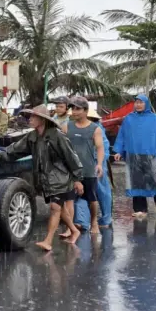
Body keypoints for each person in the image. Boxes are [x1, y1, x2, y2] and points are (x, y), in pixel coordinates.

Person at [0, 105, 84, 251]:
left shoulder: (57, 135)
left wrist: (78, 179)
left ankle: (48, 241)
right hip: (46, 180)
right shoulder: (33, 136)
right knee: (60, 209)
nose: (30, 120)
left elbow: (71, 157)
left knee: (55, 208)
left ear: (42, 120)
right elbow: (16, 149)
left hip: (60, 178)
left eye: (33, 117)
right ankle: (74, 231)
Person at [113, 94, 156, 217]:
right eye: (136, 102)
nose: (138, 105)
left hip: (151, 154)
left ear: (146, 104)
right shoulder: (128, 119)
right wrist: (118, 150)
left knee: (152, 180)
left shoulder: (154, 119)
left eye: (141, 102)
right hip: (133, 155)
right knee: (137, 182)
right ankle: (140, 209)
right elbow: (122, 136)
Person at [61, 96, 104, 235]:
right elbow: (61, 146)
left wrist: (99, 164)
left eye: (78, 109)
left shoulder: (94, 128)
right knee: (69, 200)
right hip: (71, 171)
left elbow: (100, 148)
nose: (74, 111)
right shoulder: (67, 126)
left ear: (86, 111)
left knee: (92, 199)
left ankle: (94, 222)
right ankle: (70, 227)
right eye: (73, 108)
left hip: (88, 169)